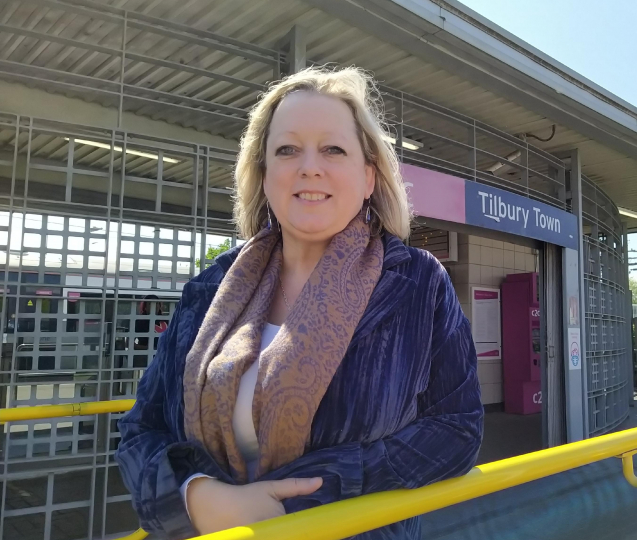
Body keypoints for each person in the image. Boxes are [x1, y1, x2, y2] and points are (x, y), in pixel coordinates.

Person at [115, 65, 484, 540]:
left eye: (333, 149)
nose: (310, 166)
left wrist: (309, 495)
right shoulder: (209, 289)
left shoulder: (418, 284)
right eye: (288, 149)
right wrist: (198, 497)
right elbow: (142, 429)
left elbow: (458, 428)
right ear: (265, 175)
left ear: (368, 177)